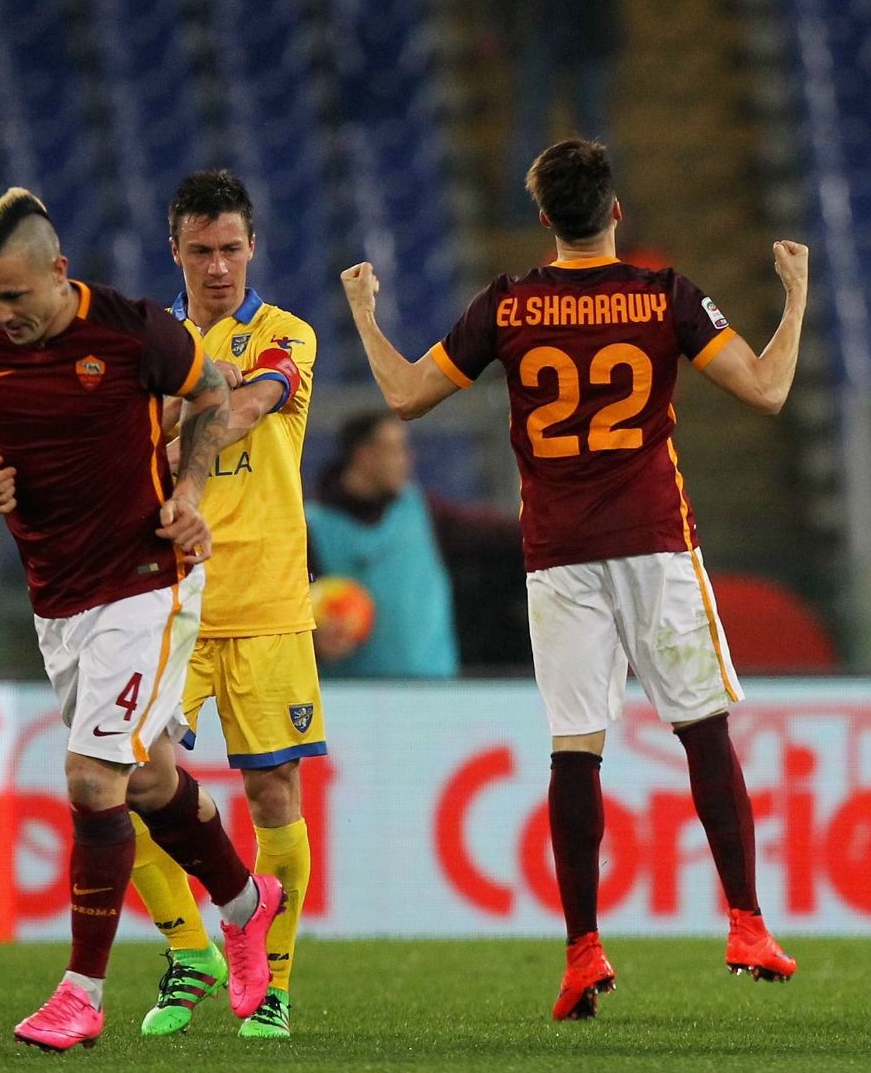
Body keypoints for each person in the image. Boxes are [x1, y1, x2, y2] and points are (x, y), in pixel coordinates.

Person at [338, 139, 809, 1020]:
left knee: (574, 749)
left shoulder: (507, 307)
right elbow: (769, 389)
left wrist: (365, 312)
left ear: (545, 217)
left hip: (559, 555)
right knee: (703, 730)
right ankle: (746, 921)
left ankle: (583, 950)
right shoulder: (663, 296)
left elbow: (404, 395)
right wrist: (794, 294)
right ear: (616, 212)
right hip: (656, 544)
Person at [0, 188, 281, 1052]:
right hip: (57, 592)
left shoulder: (133, 333)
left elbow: (211, 397)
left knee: (91, 780)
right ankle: (248, 905)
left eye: (16, 297)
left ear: (59, 273)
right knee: (144, 780)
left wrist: (192, 495)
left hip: (148, 580)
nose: (1, 315)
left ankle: (80, 994)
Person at [125, 170, 323, 1040]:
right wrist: (182, 398)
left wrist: (183, 406)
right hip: (166, 597)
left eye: (230, 249)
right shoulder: (147, 340)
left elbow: (245, 407)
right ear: (175, 250)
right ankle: (188, 952)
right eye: (200, 251)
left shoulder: (289, 334)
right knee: (130, 779)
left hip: (270, 595)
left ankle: (273, 983)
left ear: (253, 248)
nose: (217, 267)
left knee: (275, 792)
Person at [304, 411, 461, 678]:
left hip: (436, 694)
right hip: (353, 699)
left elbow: (493, 534)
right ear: (364, 455)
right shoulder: (310, 528)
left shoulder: (422, 509)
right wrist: (315, 645)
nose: (407, 459)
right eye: (395, 449)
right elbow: (287, 615)